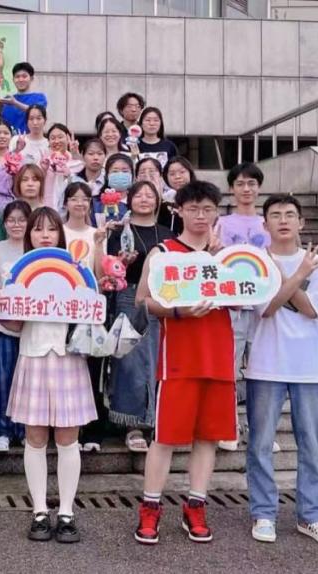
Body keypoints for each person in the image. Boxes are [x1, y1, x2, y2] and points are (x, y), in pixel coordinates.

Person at [134, 180, 235, 546]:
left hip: (218, 356)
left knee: (208, 437)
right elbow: (143, 300)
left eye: (207, 209)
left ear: (217, 213)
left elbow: (249, 295)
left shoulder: (227, 256)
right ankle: (150, 507)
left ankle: (196, 505)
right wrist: (179, 311)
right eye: (192, 209)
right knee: (164, 438)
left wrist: (223, 266)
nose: (200, 216)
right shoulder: (163, 252)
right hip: (177, 359)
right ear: (178, 211)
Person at [244, 194, 318, 546]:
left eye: (289, 214)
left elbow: (312, 310)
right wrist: (298, 276)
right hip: (265, 363)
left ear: (301, 222)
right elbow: (266, 308)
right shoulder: (254, 262)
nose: (283, 220)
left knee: (311, 442)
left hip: (309, 365)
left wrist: (289, 275)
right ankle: (263, 513)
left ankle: (311, 515)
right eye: (275, 215)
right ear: (265, 224)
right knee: (260, 442)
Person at [0, 207, 98, 544]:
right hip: (33, 355)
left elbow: (91, 313)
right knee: (35, 438)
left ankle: (67, 511)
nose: (44, 235)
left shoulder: (78, 269)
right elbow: (14, 325)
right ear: (29, 234)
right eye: (38, 229)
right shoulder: (18, 272)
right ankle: (39, 510)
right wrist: (1, 305)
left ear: (60, 234)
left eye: (51, 229)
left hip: (70, 357)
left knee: (68, 439)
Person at [106, 181, 173, 453]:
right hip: (127, 296)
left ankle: (156, 419)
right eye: (138, 195)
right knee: (130, 360)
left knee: (158, 359)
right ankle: (132, 424)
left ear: (158, 201)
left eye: (150, 195)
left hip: (161, 298)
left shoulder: (167, 233)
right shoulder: (118, 232)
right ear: (129, 200)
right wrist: (122, 264)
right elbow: (107, 268)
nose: (144, 199)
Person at [216, 162, 271, 452]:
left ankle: (262, 431)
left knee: (263, 370)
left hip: (264, 304)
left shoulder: (269, 222)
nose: (246, 189)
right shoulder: (223, 223)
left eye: (251, 183)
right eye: (240, 184)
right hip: (233, 304)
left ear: (259, 188)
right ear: (231, 189)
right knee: (230, 368)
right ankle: (229, 427)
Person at [61, 182, 109, 452]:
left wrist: (100, 245)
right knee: (66, 372)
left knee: (91, 372)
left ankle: (92, 432)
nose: (79, 203)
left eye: (85, 199)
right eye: (74, 198)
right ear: (65, 202)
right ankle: (68, 430)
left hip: (90, 310)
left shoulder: (96, 233)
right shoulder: (58, 232)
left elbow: (102, 275)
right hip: (61, 311)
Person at [0, 200, 31, 452]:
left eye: (22, 220)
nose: (16, 225)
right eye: (11, 220)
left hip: (30, 326)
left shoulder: (37, 251)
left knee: (25, 381)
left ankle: (23, 429)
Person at [41, 123, 83, 215]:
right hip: (47, 209)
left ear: (68, 139)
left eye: (60, 137)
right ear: (48, 141)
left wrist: (76, 155)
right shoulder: (44, 160)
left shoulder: (75, 160)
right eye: (52, 138)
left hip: (69, 211)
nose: (56, 141)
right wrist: (44, 170)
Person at [0, 62, 48, 135]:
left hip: (32, 139)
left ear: (31, 78)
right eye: (17, 77)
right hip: (11, 140)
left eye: (24, 76)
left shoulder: (39, 97)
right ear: (13, 80)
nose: (21, 79)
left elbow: (36, 112)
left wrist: (15, 103)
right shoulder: (7, 101)